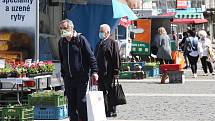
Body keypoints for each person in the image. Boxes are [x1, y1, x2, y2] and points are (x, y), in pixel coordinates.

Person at [58, 19, 98, 121]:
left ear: (71, 28)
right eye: (61, 29)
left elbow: (91, 56)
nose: (63, 30)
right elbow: (62, 59)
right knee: (71, 104)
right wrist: (63, 74)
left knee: (81, 103)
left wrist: (94, 71)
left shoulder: (80, 39)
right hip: (68, 78)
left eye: (65, 28)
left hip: (81, 77)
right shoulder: (61, 42)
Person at [95, 24, 120, 117]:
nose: (100, 33)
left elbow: (116, 58)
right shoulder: (99, 43)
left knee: (111, 92)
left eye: (102, 31)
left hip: (109, 72)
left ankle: (112, 110)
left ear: (108, 32)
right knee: (102, 92)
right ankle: (105, 109)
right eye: (100, 31)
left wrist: (116, 71)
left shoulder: (112, 43)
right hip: (100, 72)